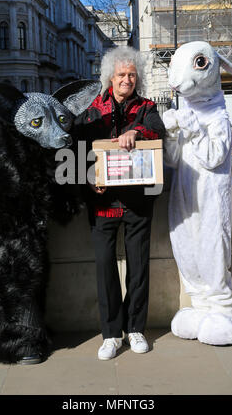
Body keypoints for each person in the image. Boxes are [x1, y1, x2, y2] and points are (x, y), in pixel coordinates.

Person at [75, 47, 165, 360]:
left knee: (139, 267)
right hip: (102, 203)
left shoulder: (147, 107)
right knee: (104, 268)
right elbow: (77, 150)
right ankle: (112, 334)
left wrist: (136, 131)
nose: (127, 79)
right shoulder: (91, 110)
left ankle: (136, 328)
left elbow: (159, 130)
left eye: (131, 74)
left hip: (138, 201)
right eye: (121, 74)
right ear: (110, 78)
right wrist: (88, 177)